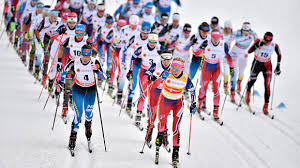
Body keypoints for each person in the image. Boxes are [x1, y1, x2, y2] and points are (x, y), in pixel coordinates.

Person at [64, 44, 106, 154]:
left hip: (91, 90)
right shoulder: (75, 62)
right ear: (81, 54)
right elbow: (66, 72)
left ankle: (88, 131)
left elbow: (104, 77)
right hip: (78, 90)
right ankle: (72, 139)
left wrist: (97, 71)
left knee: (88, 114)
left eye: (88, 56)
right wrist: (67, 82)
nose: (86, 58)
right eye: (84, 55)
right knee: (78, 115)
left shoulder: (95, 62)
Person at [154, 57, 196, 167]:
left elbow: (192, 91)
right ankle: (159, 137)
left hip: (178, 104)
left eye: (178, 69)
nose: (175, 71)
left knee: (176, 128)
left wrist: (193, 104)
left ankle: (175, 154)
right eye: (173, 68)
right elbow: (157, 83)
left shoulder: (185, 79)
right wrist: (160, 79)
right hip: (165, 102)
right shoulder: (167, 74)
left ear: (182, 69)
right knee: (161, 125)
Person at [197, 30, 234, 120]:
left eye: (217, 38)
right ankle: (199, 107)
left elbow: (229, 57)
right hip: (206, 68)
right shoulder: (206, 42)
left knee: (216, 89)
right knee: (203, 88)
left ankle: (216, 112)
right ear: (211, 37)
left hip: (216, 69)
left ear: (220, 38)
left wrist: (231, 68)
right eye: (214, 38)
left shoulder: (223, 44)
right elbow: (197, 54)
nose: (216, 40)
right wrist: (201, 48)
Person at [127, 32, 161, 127]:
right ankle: (138, 113)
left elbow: (164, 61)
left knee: (153, 95)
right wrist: (130, 70)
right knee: (143, 94)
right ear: (148, 40)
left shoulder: (159, 49)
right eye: (151, 42)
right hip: (144, 73)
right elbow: (133, 58)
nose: (152, 44)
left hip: (154, 75)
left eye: (154, 42)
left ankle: (149, 113)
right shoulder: (142, 48)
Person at [245, 32, 282, 114]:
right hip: (257, 63)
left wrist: (278, 66)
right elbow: (249, 51)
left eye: (269, 41)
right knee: (252, 80)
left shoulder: (274, 45)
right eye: (266, 40)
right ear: (264, 38)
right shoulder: (258, 41)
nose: (267, 42)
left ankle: (266, 105)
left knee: (267, 85)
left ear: (271, 40)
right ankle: (248, 91)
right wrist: (258, 45)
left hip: (267, 65)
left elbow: (279, 54)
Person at [145, 51, 172, 148]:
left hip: (165, 95)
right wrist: (151, 76)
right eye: (164, 60)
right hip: (154, 93)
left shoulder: (172, 69)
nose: (166, 62)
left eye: (168, 60)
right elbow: (147, 72)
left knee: (163, 117)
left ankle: (164, 139)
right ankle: (148, 136)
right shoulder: (156, 65)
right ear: (161, 59)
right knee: (153, 115)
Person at [123, 21, 151, 112]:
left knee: (143, 85)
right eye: (143, 32)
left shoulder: (151, 40)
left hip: (146, 63)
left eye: (147, 33)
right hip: (136, 60)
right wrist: (130, 70)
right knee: (133, 82)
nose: (144, 35)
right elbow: (126, 46)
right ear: (140, 31)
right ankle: (129, 103)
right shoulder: (135, 37)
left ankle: (141, 107)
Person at [230, 22, 258, 102]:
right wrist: (227, 45)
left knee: (242, 72)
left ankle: (239, 83)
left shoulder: (252, 33)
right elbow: (229, 41)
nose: (246, 33)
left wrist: (258, 46)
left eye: (247, 31)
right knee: (234, 73)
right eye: (244, 31)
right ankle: (232, 91)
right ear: (242, 29)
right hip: (235, 52)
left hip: (244, 53)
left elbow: (258, 41)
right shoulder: (237, 33)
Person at [221, 20, 235, 94]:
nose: (227, 30)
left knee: (226, 74)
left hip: (226, 56)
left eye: (229, 28)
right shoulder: (221, 33)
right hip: (220, 55)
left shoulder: (233, 34)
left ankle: (225, 86)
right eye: (226, 28)